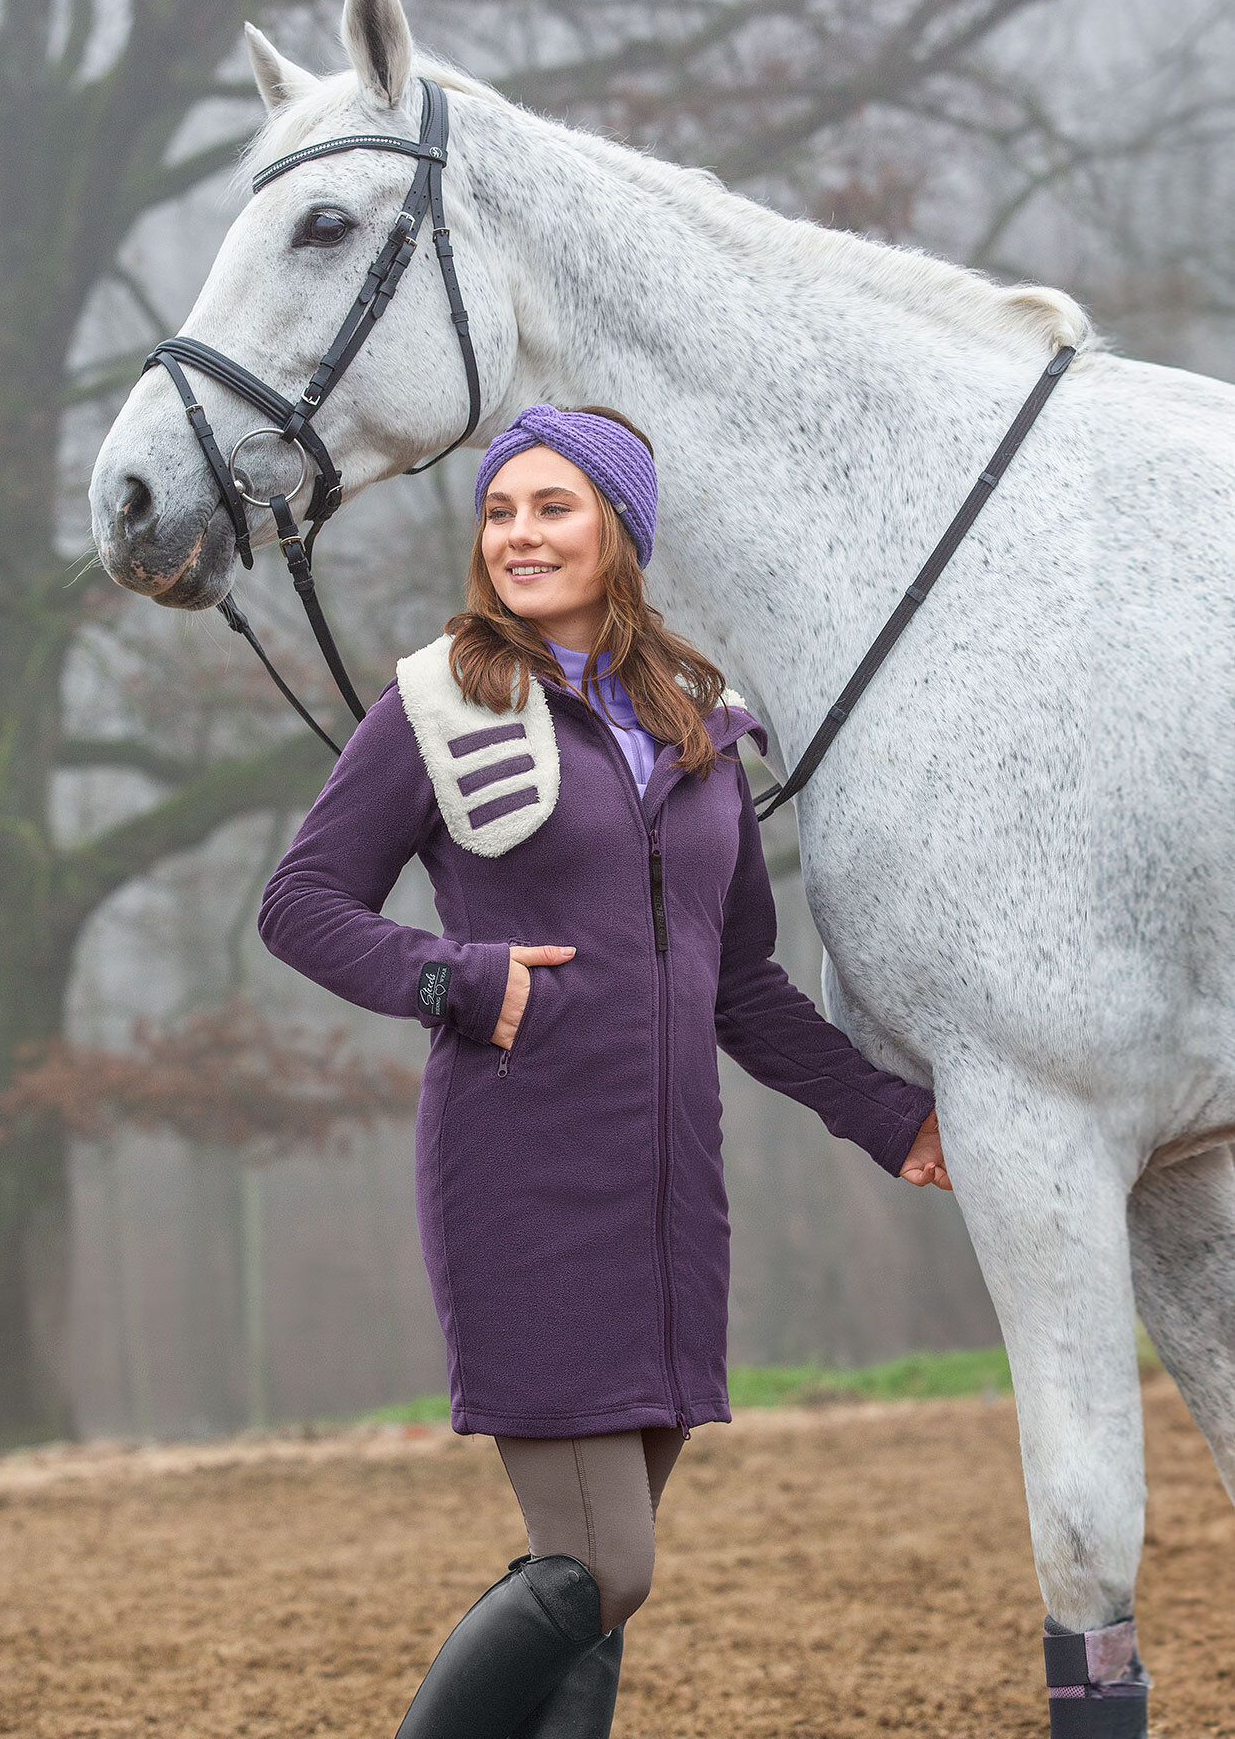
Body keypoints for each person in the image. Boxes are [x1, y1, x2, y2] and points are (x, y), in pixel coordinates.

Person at [257, 402, 950, 1738]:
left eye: (550, 508)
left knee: (601, 1594)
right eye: (499, 512)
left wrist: (884, 1114)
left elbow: (739, 980)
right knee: (597, 1567)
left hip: (670, 1201)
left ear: (621, 533)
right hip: (520, 1184)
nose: (517, 534)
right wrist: (457, 976)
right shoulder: (437, 703)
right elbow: (302, 903)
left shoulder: (696, 734)